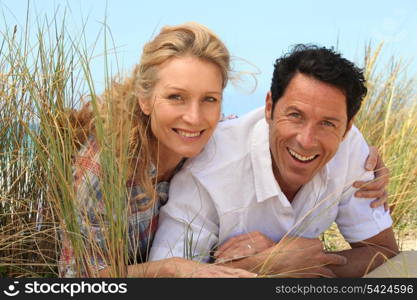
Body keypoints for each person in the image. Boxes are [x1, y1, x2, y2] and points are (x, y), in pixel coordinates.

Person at [149, 44, 398, 278]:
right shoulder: (207, 171)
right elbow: (167, 281)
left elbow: (382, 251)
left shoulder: (351, 148)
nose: (307, 140)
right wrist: (267, 265)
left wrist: (308, 261)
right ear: (269, 107)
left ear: (346, 128)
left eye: (327, 123)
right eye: (295, 115)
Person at [59, 22, 257, 278]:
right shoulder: (105, 168)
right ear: (145, 100)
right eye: (176, 97)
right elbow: (80, 278)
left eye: (209, 99)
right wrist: (167, 269)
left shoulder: (220, 143)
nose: (195, 118)